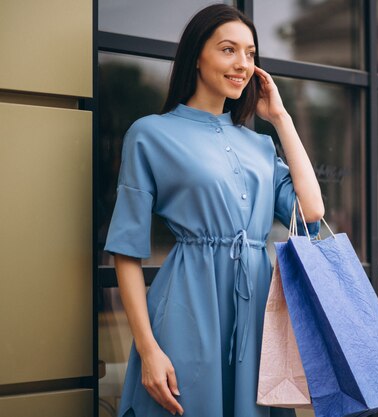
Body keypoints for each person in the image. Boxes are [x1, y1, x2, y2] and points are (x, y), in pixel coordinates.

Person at [104, 4, 324, 417]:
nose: (242, 64)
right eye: (228, 50)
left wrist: (281, 119)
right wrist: (148, 349)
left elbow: (311, 211)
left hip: (259, 314)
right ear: (196, 56)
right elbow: (126, 250)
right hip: (188, 307)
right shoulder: (150, 134)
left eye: (251, 53)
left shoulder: (259, 145)